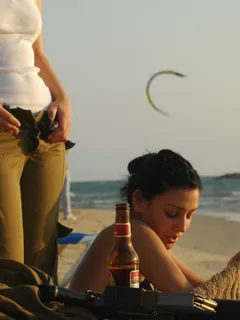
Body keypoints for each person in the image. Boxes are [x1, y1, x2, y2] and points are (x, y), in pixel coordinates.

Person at [69, 149, 240, 293]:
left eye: (189, 215)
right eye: (172, 213)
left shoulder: (148, 243)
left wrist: (231, 272)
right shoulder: (132, 234)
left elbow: (203, 289)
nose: (182, 226)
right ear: (139, 201)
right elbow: (191, 301)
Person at [0, 0, 73, 280]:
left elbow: (35, 52)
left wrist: (63, 98)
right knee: (8, 260)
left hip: (45, 129)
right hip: (4, 132)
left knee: (40, 264)